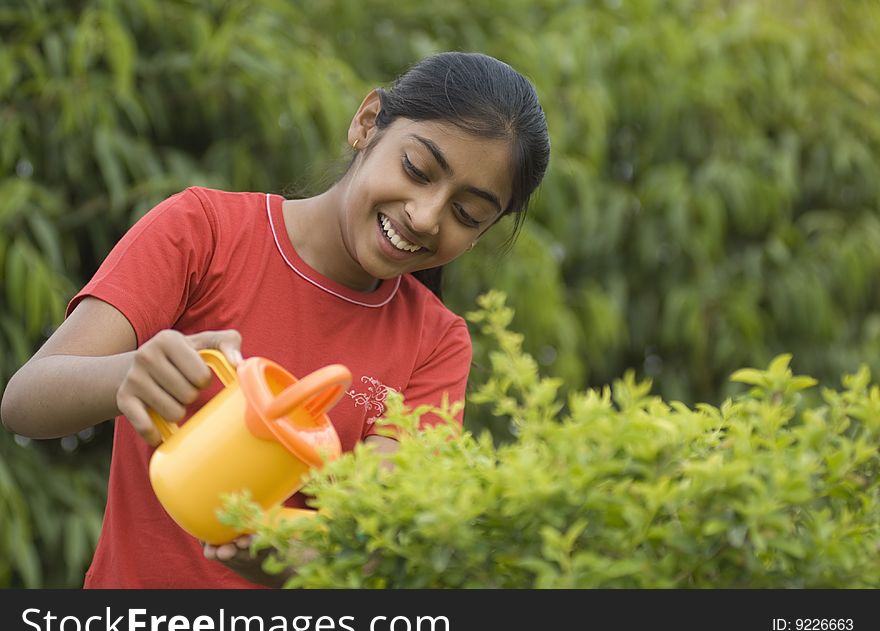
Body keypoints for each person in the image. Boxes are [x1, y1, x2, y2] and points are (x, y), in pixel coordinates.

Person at [0, 51, 550, 588]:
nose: (425, 217)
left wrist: (283, 561)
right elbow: (26, 401)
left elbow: (376, 538)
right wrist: (127, 377)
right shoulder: (203, 231)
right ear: (367, 123)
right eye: (417, 169)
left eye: (466, 214)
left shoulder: (437, 343)